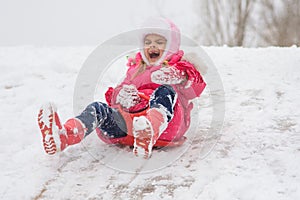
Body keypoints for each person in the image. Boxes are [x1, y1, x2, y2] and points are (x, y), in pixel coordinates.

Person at [37, 17, 206, 159]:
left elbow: (197, 87)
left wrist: (180, 76)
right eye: (148, 42)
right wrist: (120, 96)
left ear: (171, 45)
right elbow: (115, 96)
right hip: (127, 128)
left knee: (165, 91)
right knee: (98, 109)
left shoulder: (180, 65)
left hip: (167, 127)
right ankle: (64, 136)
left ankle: (151, 129)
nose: (152, 46)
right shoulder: (135, 68)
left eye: (159, 42)